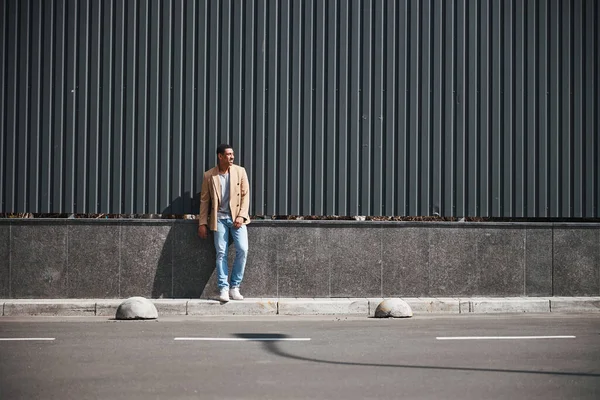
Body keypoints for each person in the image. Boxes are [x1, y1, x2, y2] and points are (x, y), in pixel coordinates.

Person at [198, 144, 250, 302]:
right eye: (228, 154)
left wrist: (241, 216)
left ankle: (235, 287)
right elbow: (205, 201)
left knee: (243, 249)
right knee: (221, 253)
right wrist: (202, 223)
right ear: (220, 156)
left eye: (233, 154)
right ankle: (223, 288)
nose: (232, 157)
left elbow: (245, 196)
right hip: (219, 219)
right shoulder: (209, 175)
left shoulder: (240, 171)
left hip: (237, 219)